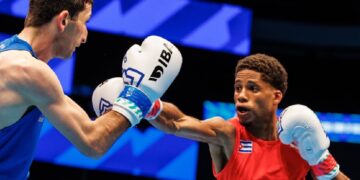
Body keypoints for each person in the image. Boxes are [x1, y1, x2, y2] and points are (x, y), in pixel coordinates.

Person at [0, 0, 182, 179]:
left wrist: (148, 104)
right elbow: (93, 142)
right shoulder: (28, 71)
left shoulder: (14, 60)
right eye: (85, 22)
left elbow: (90, 128)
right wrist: (139, 94)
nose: (85, 36)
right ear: (64, 20)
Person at [146, 53, 349, 179]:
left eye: (252, 88)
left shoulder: (298, 139)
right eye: (237, 88)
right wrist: (146, 102)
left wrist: (321, 158)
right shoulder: (227, 132)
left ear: (276, 96)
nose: (241, 96)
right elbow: (176, 123)